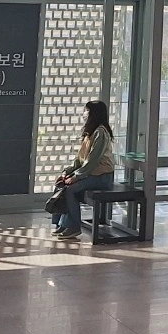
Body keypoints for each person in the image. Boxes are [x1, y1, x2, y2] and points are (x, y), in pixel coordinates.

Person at [52, 99, 116, 240]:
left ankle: (74, 227)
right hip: (90, 174)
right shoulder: (90, 133)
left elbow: (92, 160)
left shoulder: (101, 132)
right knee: (60, 185)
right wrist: (66, 173)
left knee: (70, 190)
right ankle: (62, 223)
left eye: (87, 111)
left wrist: (76, 177)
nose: (85, 114)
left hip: (102, 177)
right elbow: (79, 160)